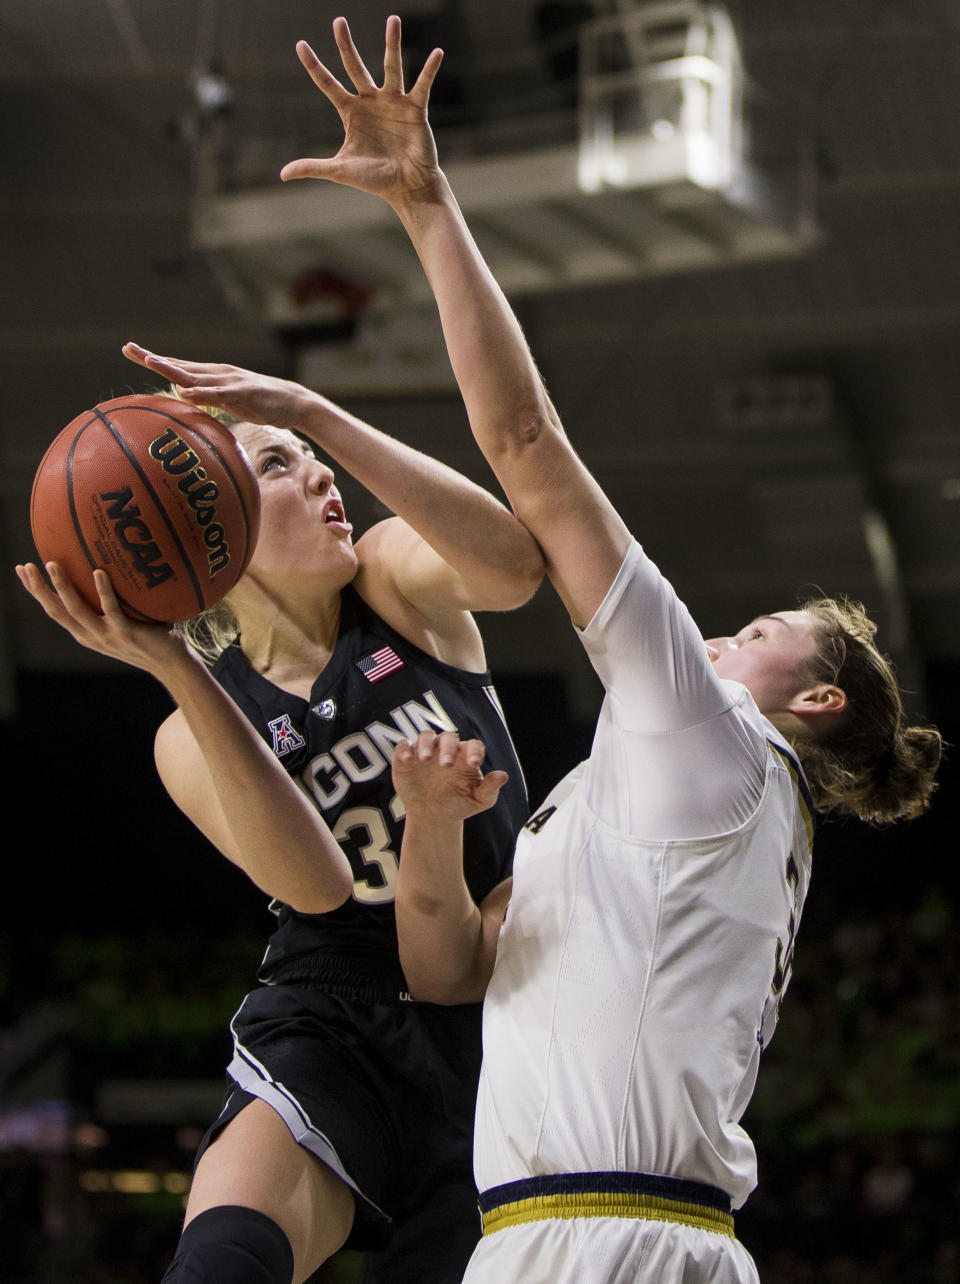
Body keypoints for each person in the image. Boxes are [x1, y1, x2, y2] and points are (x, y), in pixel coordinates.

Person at [278, 14, 944, 1283]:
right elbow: (449, 968)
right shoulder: (629, 809)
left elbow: (524, 445)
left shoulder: (715, 745)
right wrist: (426, 823)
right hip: (560, 1235)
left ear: (805, 697)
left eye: (751, 635)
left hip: (606, 1239)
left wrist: (425, 206)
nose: (711, 633)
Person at [17, 268, 542, 1284]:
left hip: (506, 995)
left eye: (316, 460)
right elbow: (313, 886)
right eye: (280, 467)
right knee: (221, 1257)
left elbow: (514, 568)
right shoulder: (192, 726)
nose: (320, 476)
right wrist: (174, 661)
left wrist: (309, 411)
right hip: (334, 1007)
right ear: (213, 520)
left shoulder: (394, 585)